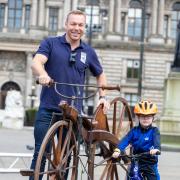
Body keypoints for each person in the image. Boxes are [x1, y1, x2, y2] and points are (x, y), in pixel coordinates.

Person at [30, 10, 109, 180]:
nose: (76, 28)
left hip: (73, 113)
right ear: (66, 25)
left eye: (80, 25)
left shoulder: (88, 51)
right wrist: (42, 74)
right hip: (48, 109)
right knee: (41, 152)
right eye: (73, 24)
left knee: (65, 158)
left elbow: (100, 75)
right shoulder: (50, 43)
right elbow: (37, 62)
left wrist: (102, 97)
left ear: (84, 28)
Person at [112, 100, 161, 180]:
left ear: (153, 118)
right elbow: (125, 140)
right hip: (136, 160)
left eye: (148, 117)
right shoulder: (134, 131)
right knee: (132, 176)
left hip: (150, 161)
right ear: (138, 117)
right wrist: (118, 150)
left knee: (154, 177)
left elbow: (157, 141)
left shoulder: (154, 131)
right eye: (142, 116)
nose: (145, 119)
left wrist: (156, 149)